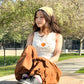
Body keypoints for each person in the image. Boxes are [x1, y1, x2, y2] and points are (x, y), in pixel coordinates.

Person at [18, 6, 63, 84]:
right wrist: (34, 64)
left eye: (41, 17)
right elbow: (27, 54)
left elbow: (56, 56)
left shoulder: (57, 36)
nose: (38, 20)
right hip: (32, 64)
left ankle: (35, 79)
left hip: (49, 66)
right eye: (36, 17)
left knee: (41, 65)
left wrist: (43, 62)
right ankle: (26, 76)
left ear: (49, 19)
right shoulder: (32, 35)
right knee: (28, 49)